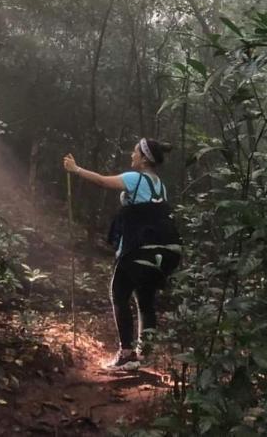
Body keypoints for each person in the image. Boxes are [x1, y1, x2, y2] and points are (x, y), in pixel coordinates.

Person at [63, 138, 181, 369]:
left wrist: (75, 169)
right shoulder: (160, 186)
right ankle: (145, 354)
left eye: (136, 152)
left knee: (119, 294)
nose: (132, 155)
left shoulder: (134, 178)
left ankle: (126, 354)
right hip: (163, 252)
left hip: (137, 249)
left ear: (145, 158)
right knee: (145, 300)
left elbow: (102, 182)